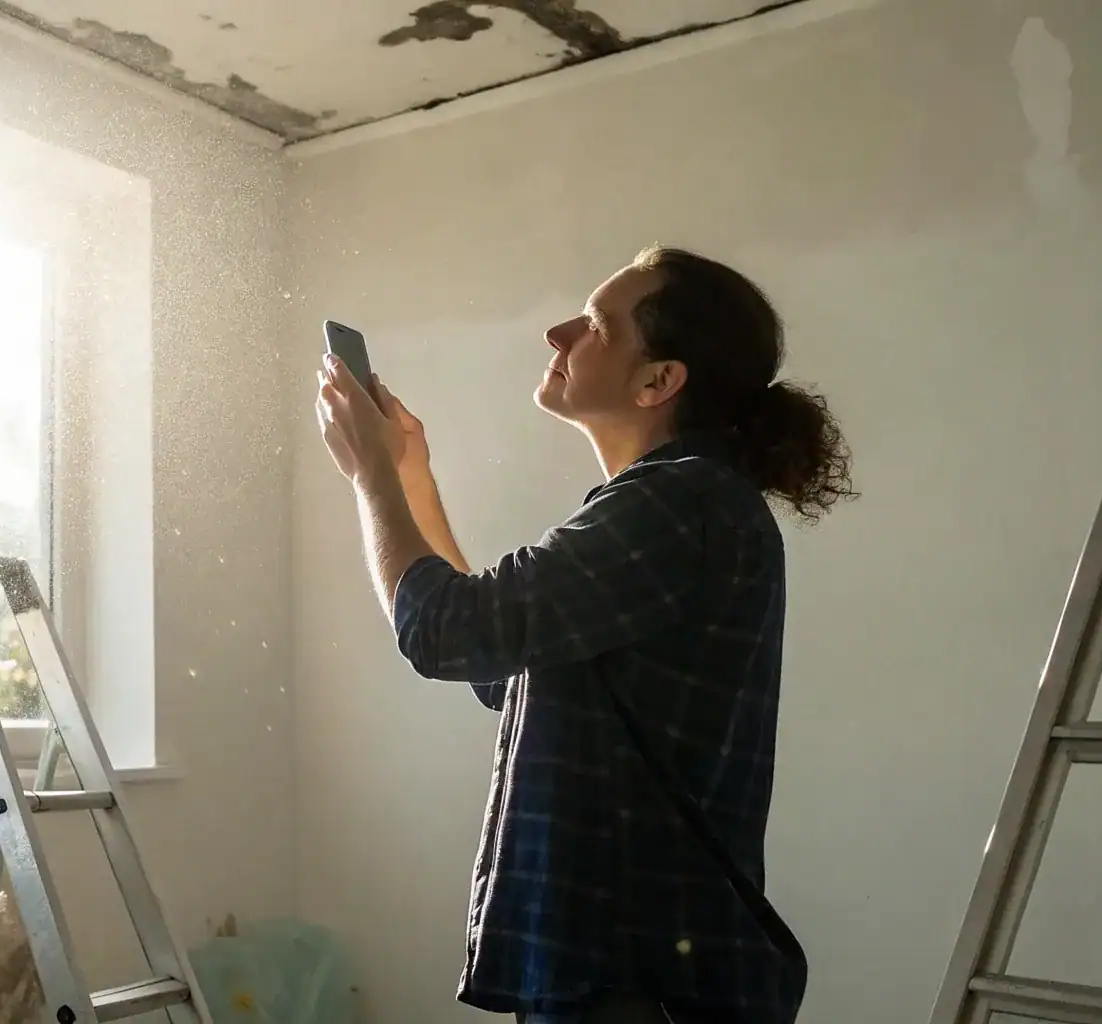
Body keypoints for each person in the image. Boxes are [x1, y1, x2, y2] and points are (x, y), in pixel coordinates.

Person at [314, 245, 854, 1024]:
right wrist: (407, 479)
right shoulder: (671, 504)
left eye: (596, 324)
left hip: (638, 977)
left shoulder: (676, 503)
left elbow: (440, 630)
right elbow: (500, 669)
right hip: (627, 969)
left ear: (658, 381)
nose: (559, 334)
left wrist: (371, 476)